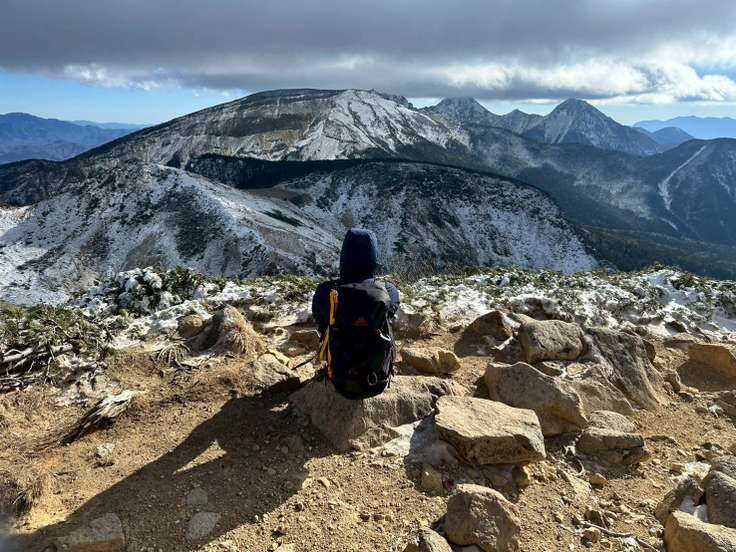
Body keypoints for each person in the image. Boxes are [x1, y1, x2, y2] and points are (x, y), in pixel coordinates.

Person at [311, 228, 400, 399]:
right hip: (377, 380)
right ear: (373, 256)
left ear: (344, 256)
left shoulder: (326, 291)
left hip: (338, 378)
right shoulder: (388, 291)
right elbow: (390, 312)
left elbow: (320, 322)